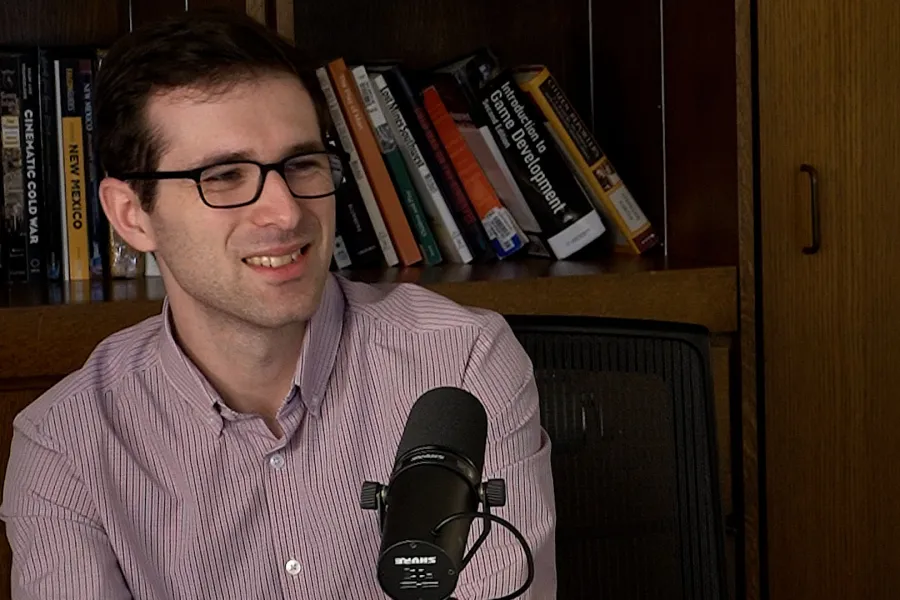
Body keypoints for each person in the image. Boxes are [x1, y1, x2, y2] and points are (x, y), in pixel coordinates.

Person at [0, 10, 556, 600]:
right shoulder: (66, 445)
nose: (287, 212)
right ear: (132, 215)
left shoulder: (462, 361)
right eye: (225, 176)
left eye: (301, 164)